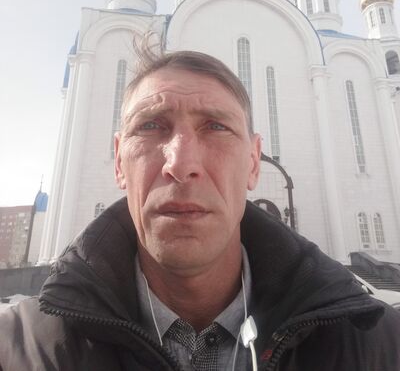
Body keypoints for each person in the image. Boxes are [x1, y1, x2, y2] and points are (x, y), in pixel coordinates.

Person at [1, 48, 400, 371]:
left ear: (253, 162)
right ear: (120, 161)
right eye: (151, 126)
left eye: (216, 126)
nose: (181, 164)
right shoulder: (23, 348)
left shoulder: (376, 344)